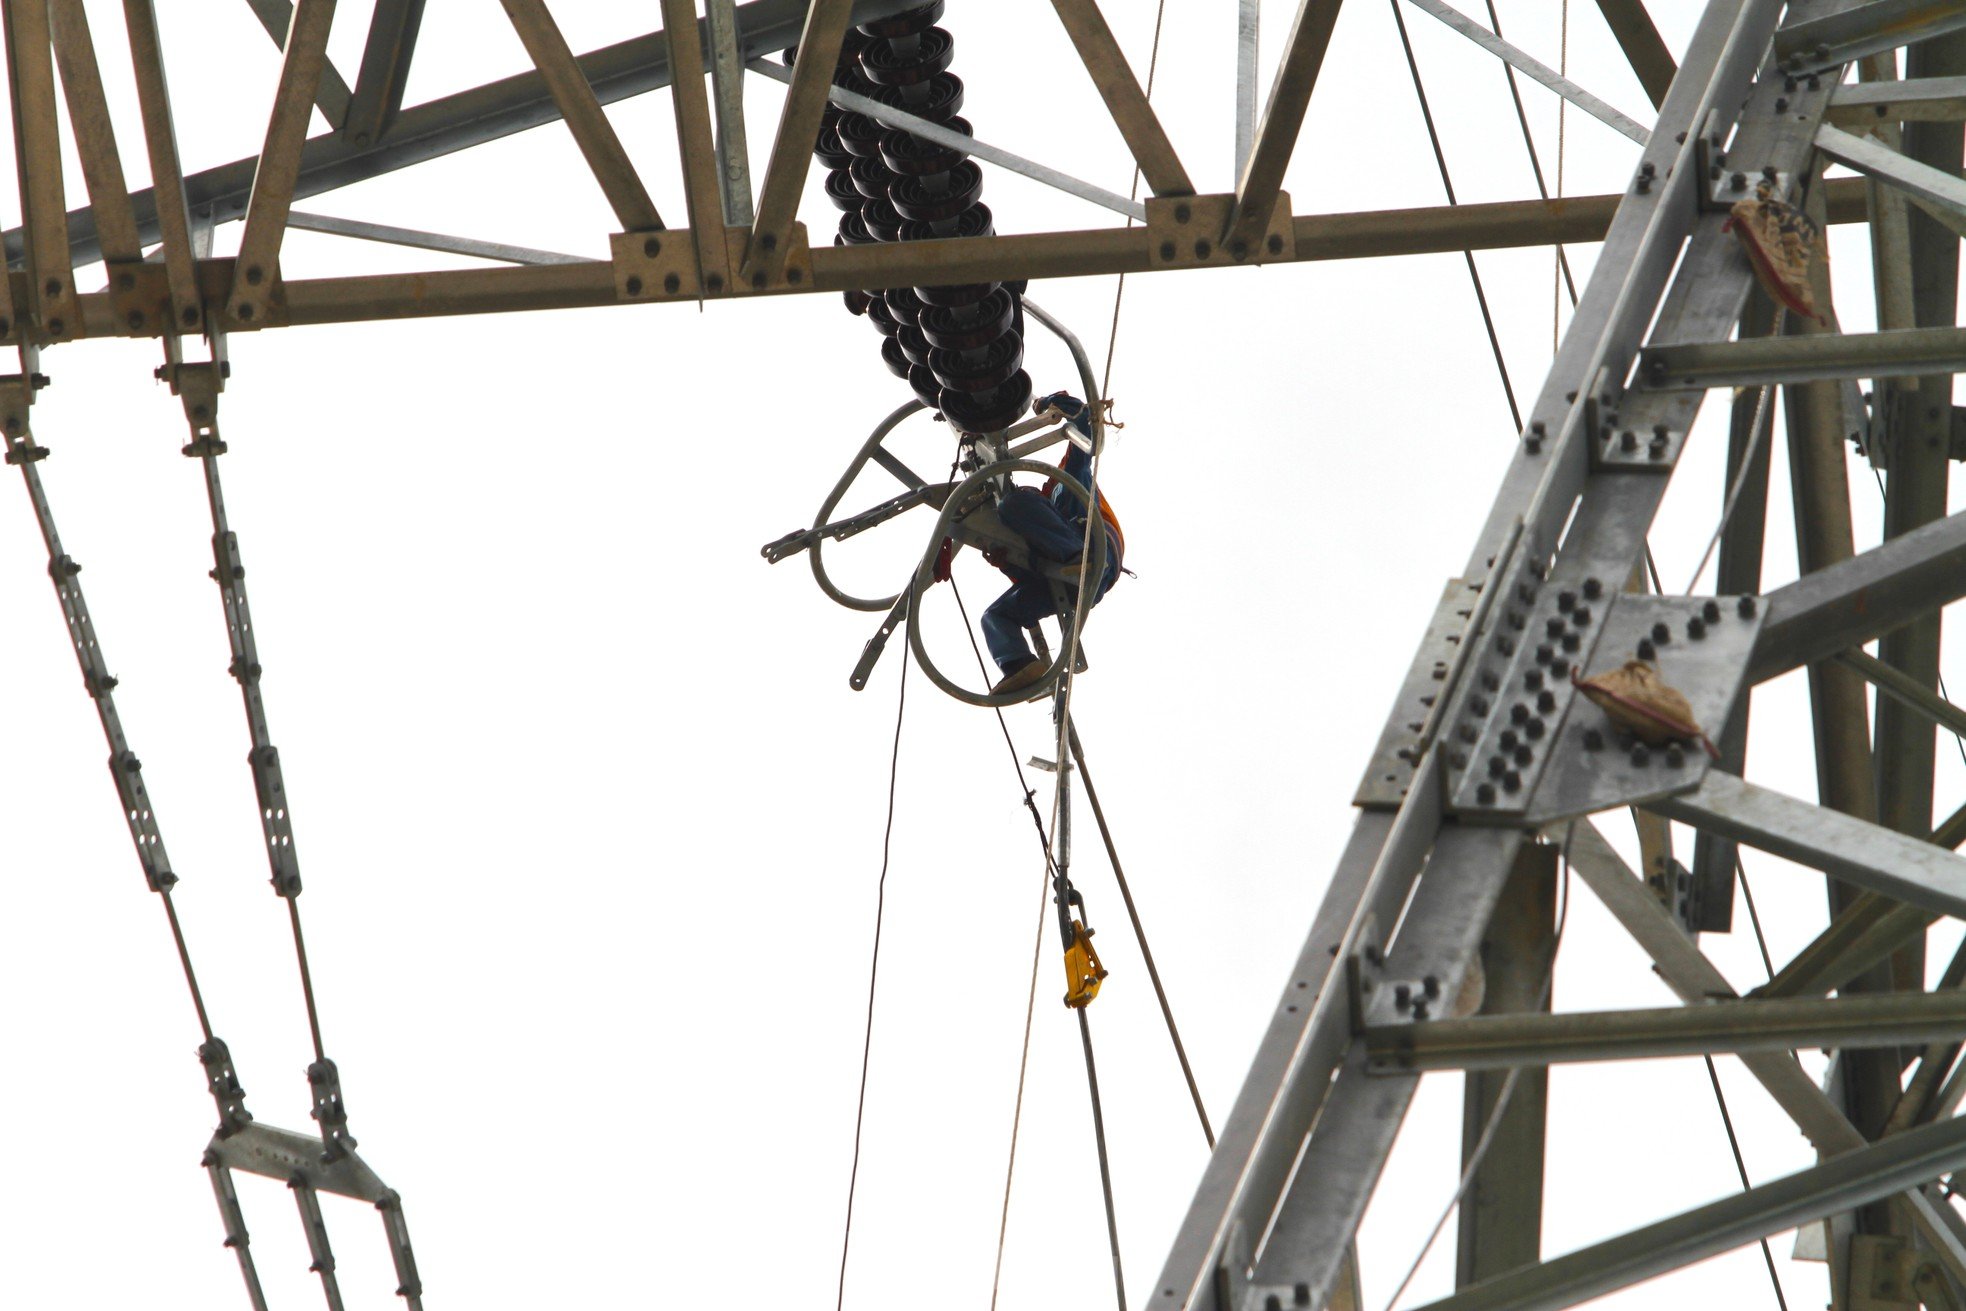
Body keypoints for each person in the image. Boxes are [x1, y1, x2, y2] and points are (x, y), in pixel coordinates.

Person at [980, 390, 1124, 699]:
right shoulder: (1038, 532)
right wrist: (1007, 560)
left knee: (1013, 504)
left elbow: (1084, 427)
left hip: (1096, 555)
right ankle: (1018, 664)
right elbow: (1034, 574)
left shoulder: (1066, 485)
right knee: (995, 616)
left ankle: (1077, 556)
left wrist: (1050, 402)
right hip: (1064, 580)